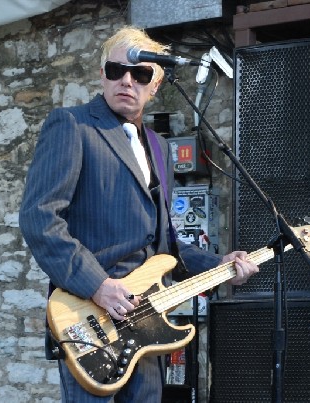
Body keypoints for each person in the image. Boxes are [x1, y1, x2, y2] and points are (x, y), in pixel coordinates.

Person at [19, 25, 259, 403]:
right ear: (103, 75)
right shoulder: (72, 125)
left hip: (145, 320)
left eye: (140, 73)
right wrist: (97, 285)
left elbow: (167, 247)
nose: (126, 80)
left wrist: (221, 265)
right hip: (89, 315)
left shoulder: (159, 148)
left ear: (156, 85)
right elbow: (40, 218)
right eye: (116, 70)